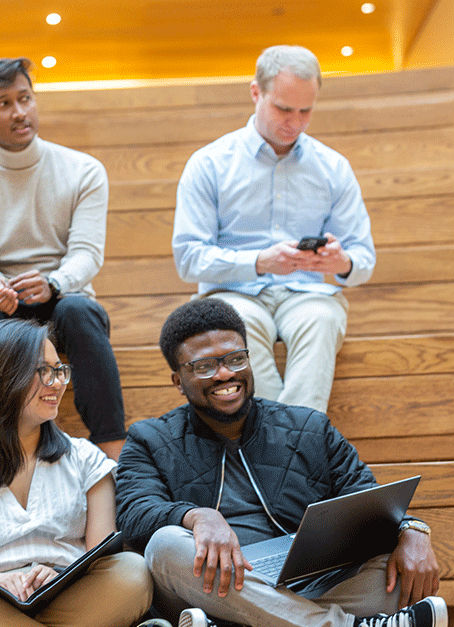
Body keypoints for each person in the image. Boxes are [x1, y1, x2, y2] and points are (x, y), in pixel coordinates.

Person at [115, 298, 447, 627]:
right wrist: (196, 516)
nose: (225, 374)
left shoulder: (309, 427)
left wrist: (411, 529)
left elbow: (366, 498)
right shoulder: (150, 438)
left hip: (307, 587)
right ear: (178, 381)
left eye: (235, 358)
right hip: (212, 587)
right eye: (205, 366)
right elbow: (134, 513)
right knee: (165, 547)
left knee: (395, 568)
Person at [0, 319, 152, 626]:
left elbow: (101, 556)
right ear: (0, 377)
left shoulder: (87, 460)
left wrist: (60, 574)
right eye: (44, 371)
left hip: (72, 599)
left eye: (60, 369)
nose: (58, 382)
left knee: (132, 570)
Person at [171, 45, 376, 413]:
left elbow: (363, 261)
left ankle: (280, 448)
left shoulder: (333, 167)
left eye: (305, 111)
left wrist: (341, 263)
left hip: (307, 294)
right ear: (256, 92)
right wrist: (260, 262)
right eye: (283, 108)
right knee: (240, 326)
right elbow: (189, 259)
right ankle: (300, 450)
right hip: (234, 294)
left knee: (322, 318)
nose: (294, 122)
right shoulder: (209, 164)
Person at [0, 57, 126, 460]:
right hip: (1, 307)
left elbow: (87, 254)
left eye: (25, 98)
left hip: (64, 297)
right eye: (3, 104)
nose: (19, 112)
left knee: (79, 311)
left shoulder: (84, 170)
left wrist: (55, 282)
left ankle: (114, 453)